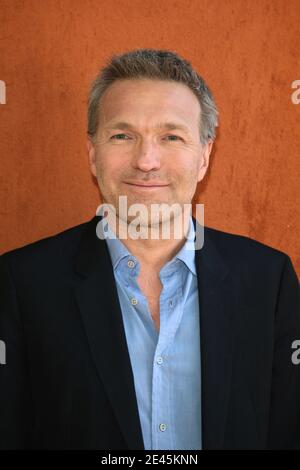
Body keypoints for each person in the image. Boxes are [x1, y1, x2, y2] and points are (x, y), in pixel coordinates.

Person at [0, 48, 299, 450]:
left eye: (171, 136)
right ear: (93, 153)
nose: (146, 160)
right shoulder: (22, 283)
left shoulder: (270, 280)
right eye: (123, 135)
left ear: (204, 157)